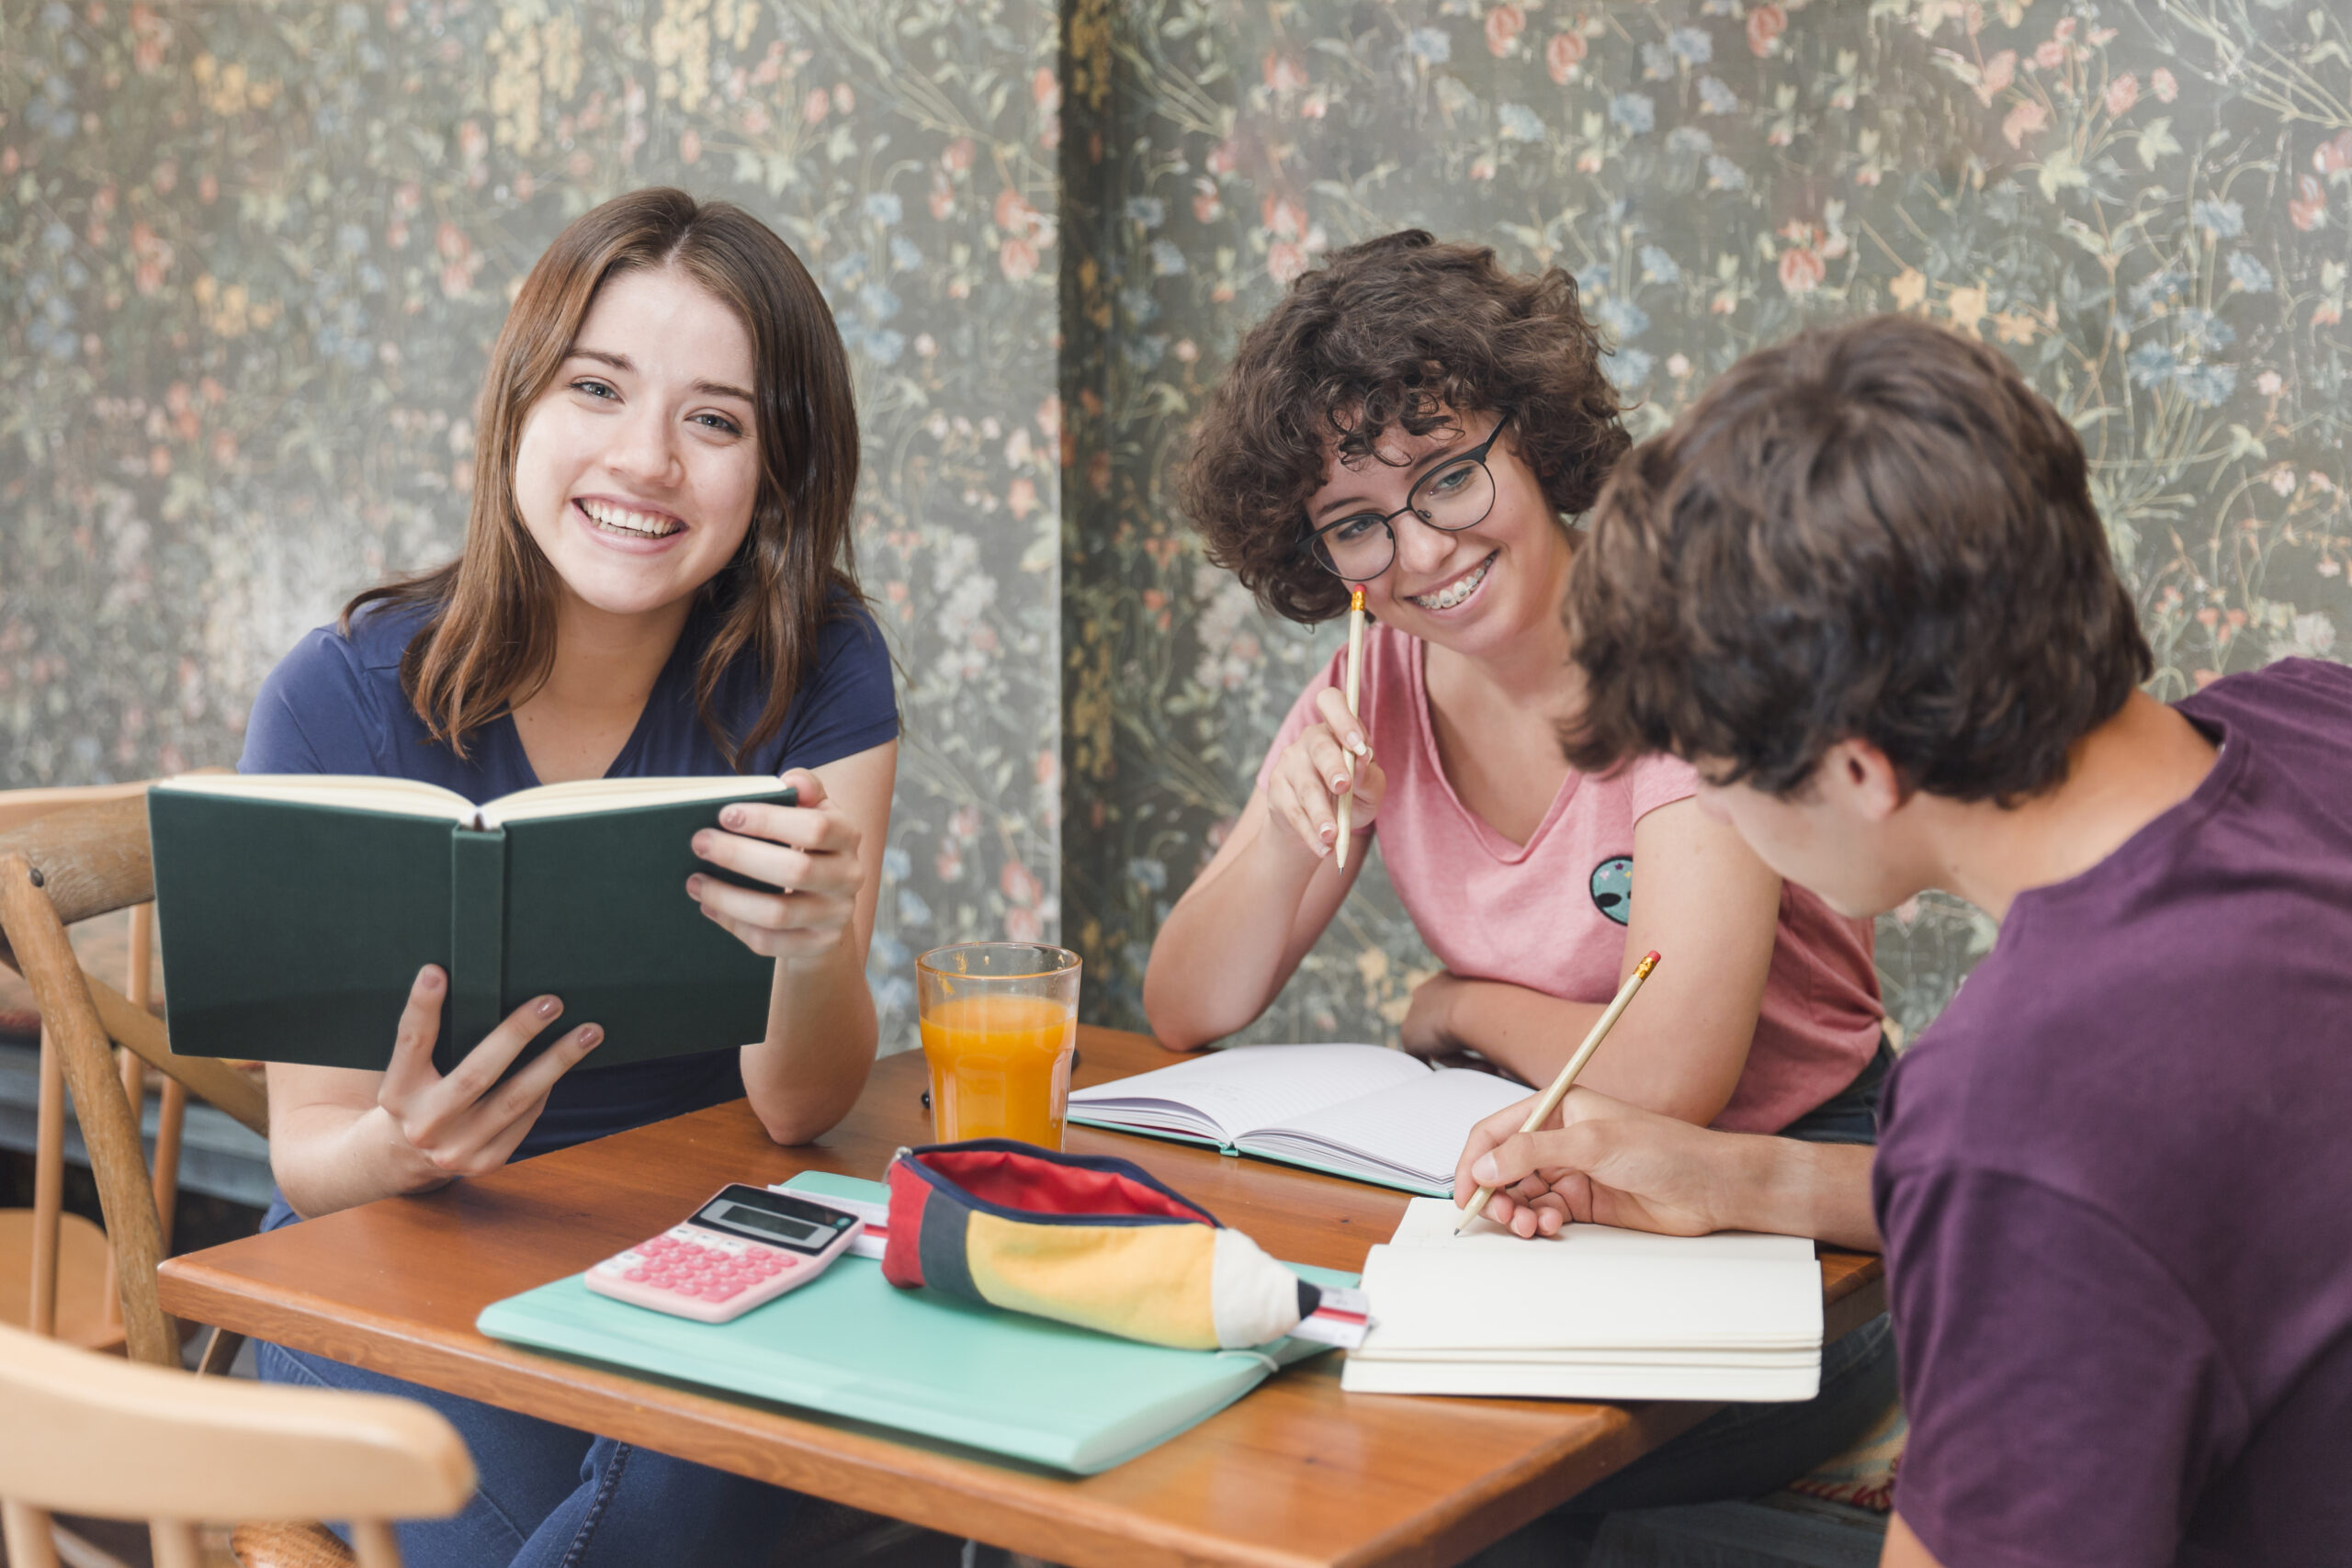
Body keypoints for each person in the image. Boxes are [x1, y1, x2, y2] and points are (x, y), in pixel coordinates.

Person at [1459, 314, 2352, 1565]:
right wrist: (1741, 1179)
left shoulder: (2023, 1097)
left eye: (1715, 774)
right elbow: (2181, 1177)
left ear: (1860, 771)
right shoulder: (2316, 717)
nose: (1714, 811)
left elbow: (2067, 1170)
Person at [1148, 231, 1898, 1505]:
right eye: (1357, 526)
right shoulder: (1371, 672)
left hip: (1801, 1211)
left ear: (1531, 439)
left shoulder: (1682, 647)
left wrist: (1458, 1009)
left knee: (1447, 1481)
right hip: (1553, 1180)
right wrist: (1285, 821)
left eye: (1447, 479)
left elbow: (1668, 1075)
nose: (1422, 552)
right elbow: (1188, 1005)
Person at [243, 189, 898, 1567]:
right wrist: (400, 1150)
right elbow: (308, 1156)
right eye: (597, 389)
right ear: (520, 411)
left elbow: (801, 1106)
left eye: (716, 420)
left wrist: (816, 942)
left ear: (774, 475)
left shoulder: (814, 665)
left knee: (704, 1458)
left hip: (692, 1272)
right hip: (387, 1273)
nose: (647, 459)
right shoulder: (341, 698)